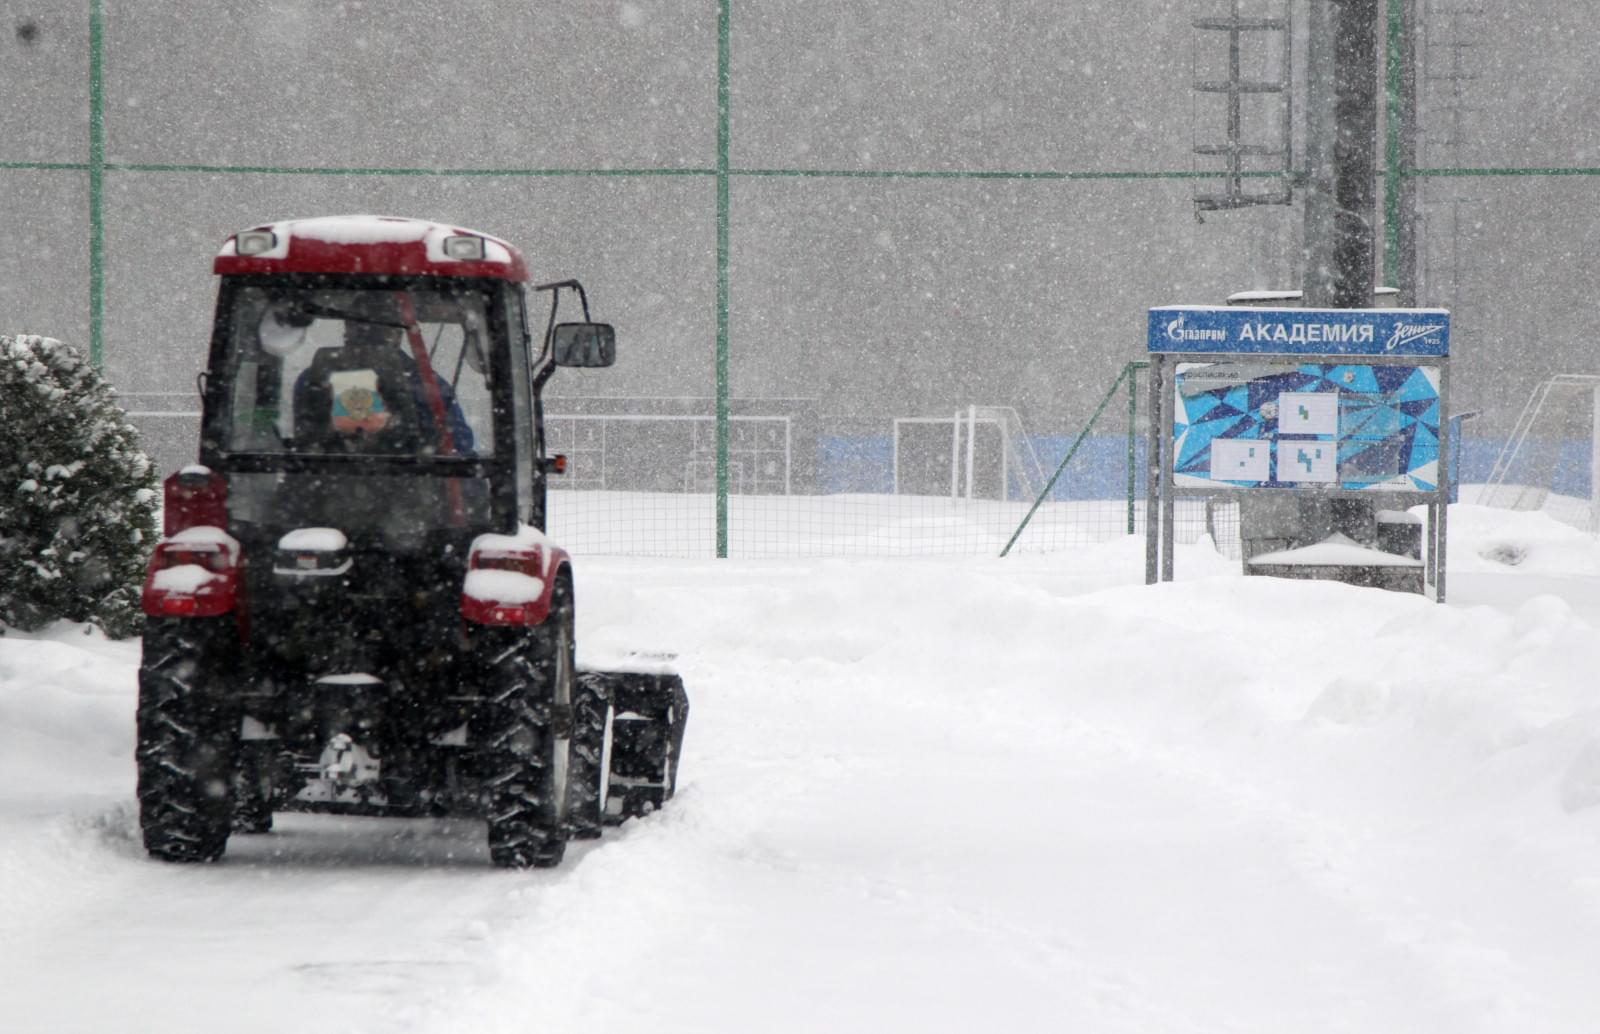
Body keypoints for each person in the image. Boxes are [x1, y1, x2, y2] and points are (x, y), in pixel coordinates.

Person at [292, 301, 474, 456]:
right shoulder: (428, 386)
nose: (368, 333)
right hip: (407, 481)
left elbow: (457, 455)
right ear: (398, 332)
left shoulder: (312, 379)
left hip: (324, 481)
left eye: (378, 326)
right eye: (360, 324)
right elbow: (459, 451)